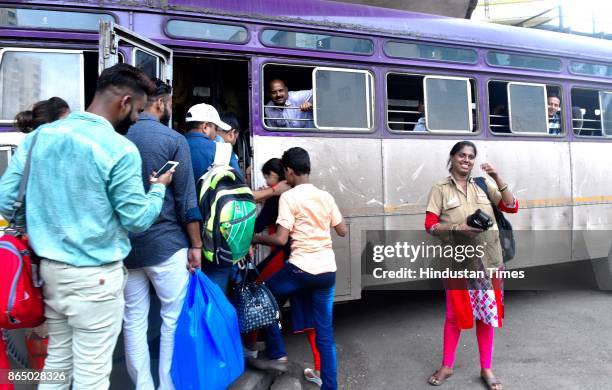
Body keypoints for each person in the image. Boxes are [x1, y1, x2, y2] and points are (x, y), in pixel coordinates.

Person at [0, 63, 173, 390]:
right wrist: (159, 188)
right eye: (136, 110)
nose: (136, 119)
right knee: (91, 377)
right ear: (123, 103)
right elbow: (136, 219)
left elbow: (6, 201)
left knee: (58, 364)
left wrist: (39, 226)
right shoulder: (120, 150)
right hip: (96, 278)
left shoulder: (40, 137)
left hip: (49, 273)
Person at [123, 79, 202, 390]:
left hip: (127, 248)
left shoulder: (119, 138)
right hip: (167, 245)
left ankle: (142, 386)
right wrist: (196, 245)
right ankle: (167, 385)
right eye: (169, 104)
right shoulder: (173, 139)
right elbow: (187, 202)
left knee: (133, 322)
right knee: (171, 320)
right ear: (159, 103)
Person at [424, 141, 518, 390]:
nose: (466, 160)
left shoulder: (484, 184)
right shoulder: (440, 189)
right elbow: (430, 225)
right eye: (461, 155)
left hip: (489, 262)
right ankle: (447, 365)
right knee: (454, 315)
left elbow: (511, 205)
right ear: (452, 158)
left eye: (470, 156)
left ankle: (486, 368)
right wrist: (458, 228)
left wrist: (497, 176)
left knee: (487, 316)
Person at [252, 147, 347, 390]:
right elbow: (342, 230)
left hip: (300, 269)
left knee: (263, 295)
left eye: (286, 173)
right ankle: (330, 387)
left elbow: (281, 240)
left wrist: (254, 238)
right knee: (325, 335)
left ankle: (276, 352)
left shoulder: (289, 197)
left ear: (290, 171)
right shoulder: (325, 196)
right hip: (327, 272)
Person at [246, 158, 322, 386]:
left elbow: (259, 227)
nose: (265, 180)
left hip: (285, 260)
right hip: (311, 263)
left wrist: (253, 238)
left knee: (259, 298)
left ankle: (260, 351)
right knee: (309, 319)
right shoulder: (306, 195)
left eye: (267, 176)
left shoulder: (279, 199)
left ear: (277, 175)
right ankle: (320, 369)